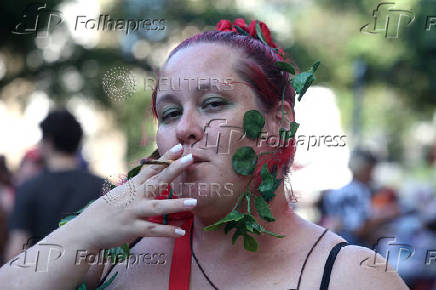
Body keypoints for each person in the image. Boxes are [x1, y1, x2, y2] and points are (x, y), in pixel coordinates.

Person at [0, 18, 408, 289]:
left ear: (278, 122)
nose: (185, 128)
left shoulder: (351, 275)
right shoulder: (119, 258)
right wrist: (91, 225)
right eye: (170, 112)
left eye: (213, 103)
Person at [5, 108, 105, 261]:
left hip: (40, 279)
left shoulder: (28, 189)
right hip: (94, 280)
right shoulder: (104, 187)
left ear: (48, 142)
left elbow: (16, 252)